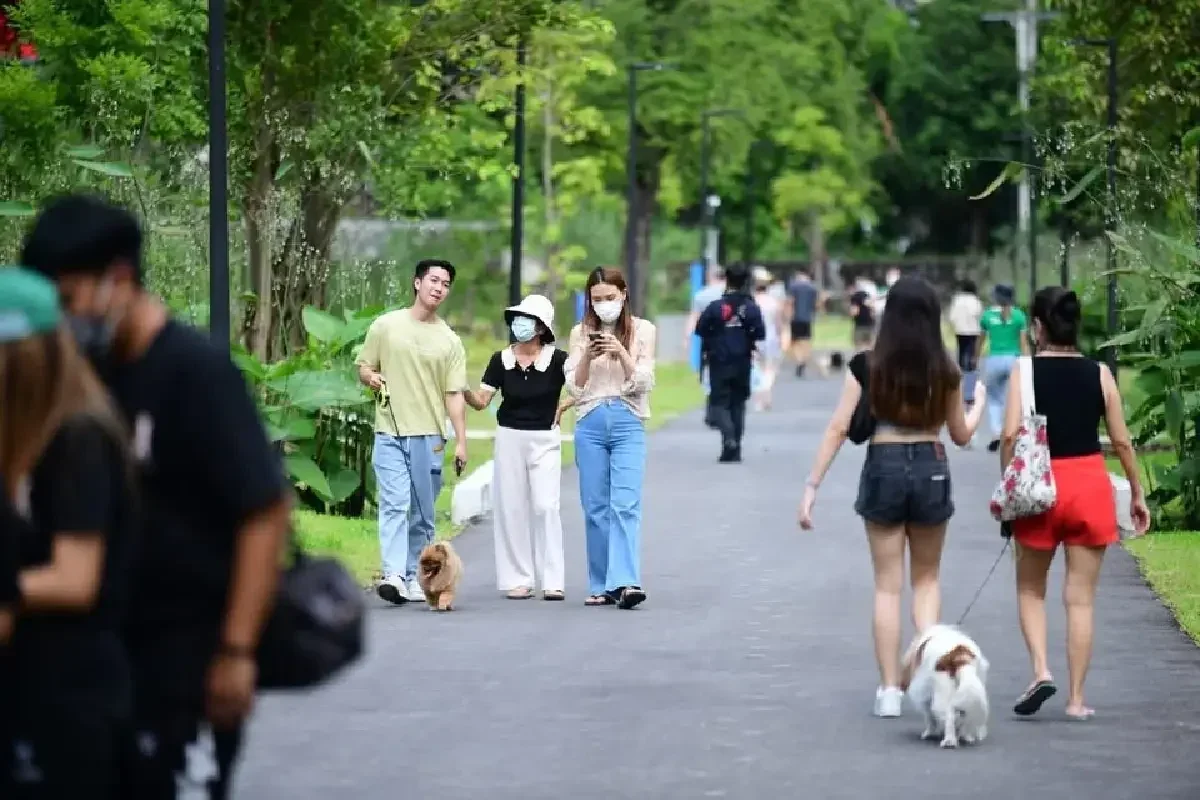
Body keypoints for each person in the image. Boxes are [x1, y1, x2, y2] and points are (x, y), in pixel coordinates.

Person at [21, 194, 292, 799]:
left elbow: (264, 512)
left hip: (186, 658)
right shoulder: (85, 376)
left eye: (68, 301)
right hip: (103, 666)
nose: (63, 322)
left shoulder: (195, 374)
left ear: (118, 280)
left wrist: (236, 651)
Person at [797, 276, 986, 718]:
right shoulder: (946, 370)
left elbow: (840, 427)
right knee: (927, 581)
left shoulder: (868, 364)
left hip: (882, 465)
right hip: (931, 466)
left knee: (887, 586)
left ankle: (888, 691)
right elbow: (960, 435)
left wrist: (812, 488)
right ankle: (931, 669)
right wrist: (977, 408)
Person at [0, 267, 136, 798]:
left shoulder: (79, 439)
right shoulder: (19, 440)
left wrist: (10, 593)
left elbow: (76, 578)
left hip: (71, 694)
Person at [1002, 287, 1150, 721]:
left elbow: (1010, 436)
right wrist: (1137, 493)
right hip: (1088, 484)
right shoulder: (1100, 373)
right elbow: (1121, 440)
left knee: (1031, 588)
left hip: (1040, 486)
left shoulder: (1023, 372)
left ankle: (1041, 670)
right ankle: (1077, 699)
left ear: (1037, 327)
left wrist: (1008, 483)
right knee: (1081, 599)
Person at [357, 259, 469, 606]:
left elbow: (454, 395)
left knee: (422, 511)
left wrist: (462, 441)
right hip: (389, 430)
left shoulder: (449, 340)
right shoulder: (386, 326)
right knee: (394, 503)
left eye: (446, 284)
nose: (439, 288)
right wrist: (371, 378)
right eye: (433, 280)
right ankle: (392, 574)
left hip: (430, 436)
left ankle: (413, 574)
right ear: (417, 283)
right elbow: (365, 365)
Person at [465, 294, 567, 601]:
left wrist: (566, 405)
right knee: (511, 506)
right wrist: (460, 388)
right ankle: (518, 579)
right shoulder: (501, 360)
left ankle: (553, 580)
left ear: (541, 327)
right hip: (509, 436)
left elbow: (582, 386)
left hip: (545, 438)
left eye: (528, 319)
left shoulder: (558, 359)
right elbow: (482, 401)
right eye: (517, 318)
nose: (519, 324)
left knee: (546, 506)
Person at [565, 267, 656, 609]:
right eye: (597, 298)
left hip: (627, 420)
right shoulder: (579, 334)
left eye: (610, 297)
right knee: (595, 506)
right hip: (589, 420)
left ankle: (627, 581)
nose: (604, 305)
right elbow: (575, 385)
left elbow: (644, 381)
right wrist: (588, 355)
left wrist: (621, 352)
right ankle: (601, 583)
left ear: (624, 294)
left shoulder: (643, 331)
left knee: (626, 504)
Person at [696, 263, 765, 462]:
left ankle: (729, 439)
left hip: (719, 361)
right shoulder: (751, 308)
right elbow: (760, 333)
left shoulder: (716, 307)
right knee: (738, 404)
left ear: (727, 279)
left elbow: (701, 330)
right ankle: (734, 448)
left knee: (719, 404)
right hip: (743, 361)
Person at [979, 284, 1028, 452]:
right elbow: (1023, 342)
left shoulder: (987, 316)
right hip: (1014, 359)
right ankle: (1018, 432)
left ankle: (995, 432)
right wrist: (1027, 361)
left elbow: (981, 340)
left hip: (994, 359)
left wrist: (975, 356)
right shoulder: (1019, 316)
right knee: (1019, 397)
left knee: (994, 398)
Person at [686, 265, 725, 424]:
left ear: (710, 277)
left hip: (709, 342)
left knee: (709, 373)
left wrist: (686, 337)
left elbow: (694, 318)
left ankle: (712, 410)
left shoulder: (702, 295)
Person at [948, 279, 985, 446]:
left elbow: (951, 316)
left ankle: (962, 371)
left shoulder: (958, 299)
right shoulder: (975, 301)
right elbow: (979, 315)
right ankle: (970, 371)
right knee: (970, 353)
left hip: (960, 330)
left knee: (961, 351)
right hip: (973, 330)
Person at [752, 267, 786, 411]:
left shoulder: (751, 302)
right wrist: (781, 336)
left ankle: (759, 399)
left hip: (754, 338)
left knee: (756, 367)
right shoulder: (773, 302)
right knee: (770, 368)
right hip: (770, 337)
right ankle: (767, 392)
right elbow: (779, 323)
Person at [786, 268, 820, 377]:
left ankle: (799, 360)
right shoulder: (813, 288)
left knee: (794, 342)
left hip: (796, 318)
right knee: (806, 341)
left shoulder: (794, 286)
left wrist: (788, 316)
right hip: (807, 318)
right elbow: (817, 304)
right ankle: (803, 360)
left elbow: (791, 302)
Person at [847, 281, 876, 350]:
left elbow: (854, 312)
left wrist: (849, 313)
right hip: (870, 324)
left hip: (859, 325)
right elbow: (873, 309)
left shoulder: (854, 297)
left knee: (859, 348)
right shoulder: (867, 295)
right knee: (870, 347)